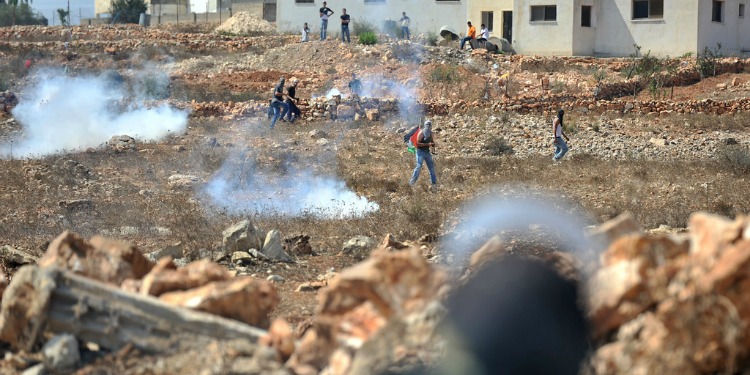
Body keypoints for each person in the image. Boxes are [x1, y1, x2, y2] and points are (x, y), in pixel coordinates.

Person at [409, 120, 437, 188]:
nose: (428, 126)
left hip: (427, 152)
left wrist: (433, 150)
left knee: (431, 168)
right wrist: (428, 144)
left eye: (429, 125)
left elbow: (432, 143)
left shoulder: (432, 133)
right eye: (427, 125)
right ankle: (411, 183)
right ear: (425, 125)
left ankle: (434, 184)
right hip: (420, 152)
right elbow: (418, 144)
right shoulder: (421, 133)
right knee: (418, 167)